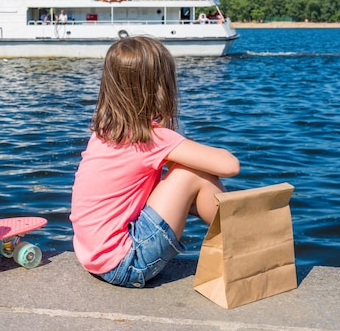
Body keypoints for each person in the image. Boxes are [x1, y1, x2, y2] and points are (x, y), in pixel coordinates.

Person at [70, 36, 240, 288]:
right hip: (126, 262)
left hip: (93, 256)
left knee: (186, 173)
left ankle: (240, 235)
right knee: (191, 173)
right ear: (161, 86)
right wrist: (182, 149)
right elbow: (230, 165)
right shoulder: (152, 138)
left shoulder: (105, 132)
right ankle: (246, 238)